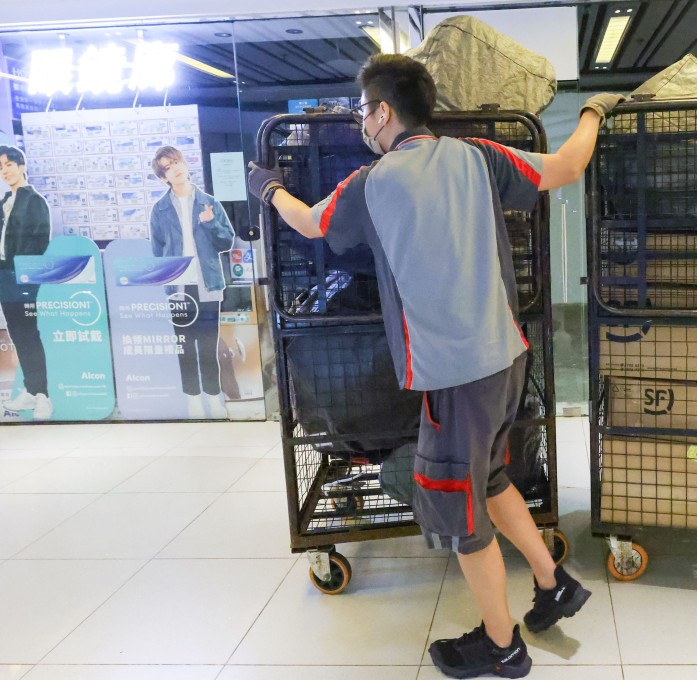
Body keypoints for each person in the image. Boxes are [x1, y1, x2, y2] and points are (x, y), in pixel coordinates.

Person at [249, 54, 622, 679]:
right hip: (504, 360)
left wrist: (269, 188)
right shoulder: (479, 155)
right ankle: (553, 582)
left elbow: (311, 224)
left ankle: (501, 647)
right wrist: (591, 111)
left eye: (363, 109)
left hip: (451, 376)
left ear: (384, 112)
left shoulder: (372, 182)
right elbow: (568, 164)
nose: (362, 121)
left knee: (460, 515)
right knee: (493, 475)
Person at [149, 146, 235, 419]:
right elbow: (158, 250)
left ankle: (213, 396)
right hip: (178, 288)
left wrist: (210, 224)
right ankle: (193, 399)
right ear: (163, 177)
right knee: (184, 345)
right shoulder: (160, 209)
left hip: (207, 283)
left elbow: (226, 241)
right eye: (168, 167)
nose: (176, 168)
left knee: (208, 345)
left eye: (177, 162)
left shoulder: (208, 202)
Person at [0, 145, 52, 420]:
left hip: (24, 276)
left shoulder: (34, 201)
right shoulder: (3, 203)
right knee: (19, 334)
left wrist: (26, 275)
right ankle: (31, 392)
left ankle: (43, 395)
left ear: (21, 166)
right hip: (4, 275)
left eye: (8, 165)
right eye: (0, 168)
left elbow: (40, 242)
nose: (4, 171)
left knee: (29, 334)